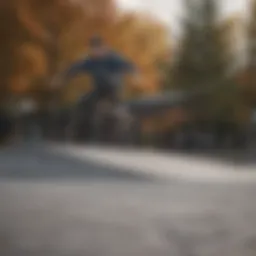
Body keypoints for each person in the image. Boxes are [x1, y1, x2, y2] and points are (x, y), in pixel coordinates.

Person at [52, 35, 140, 139]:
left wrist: (135, 75)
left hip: (113, 89)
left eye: (98, 50)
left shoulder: (113, 58)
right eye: (94, 50)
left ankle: (125, 119)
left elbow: (128, 65)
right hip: (99, 89)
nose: (96, 53)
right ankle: (80, 131)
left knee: (116, 104)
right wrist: (62, 78)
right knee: (83, 102)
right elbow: (75, 68)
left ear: (104, 48)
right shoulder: (91, 61)